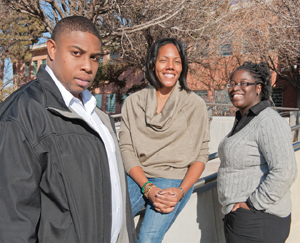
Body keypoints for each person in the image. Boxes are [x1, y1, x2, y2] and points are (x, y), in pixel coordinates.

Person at [0, 16, 136, 243]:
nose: (87, 66)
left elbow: (116, 195)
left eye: (95, 58)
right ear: (52, 49)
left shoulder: (100, 118)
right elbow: (13, 222)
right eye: (76, 53)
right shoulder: (20, 116)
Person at [119, 38, 210, 243]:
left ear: (182, 66)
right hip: (137, 175)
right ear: (153, 65)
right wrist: (147, 187)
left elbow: (201, 153)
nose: (170, 66)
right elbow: (126, 148)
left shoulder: (194, 104)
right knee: (108, 221)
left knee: (148, 239)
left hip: (172, 177)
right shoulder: (134, 102)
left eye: (177, 61)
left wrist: (180, 191)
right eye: (164, 60)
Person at [217, 62, 297, 243]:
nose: (235, 88)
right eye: (231, 83)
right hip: (244, 218)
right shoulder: (245, 119)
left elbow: (285, 171)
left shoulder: (268, 120)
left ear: (259, 87)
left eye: (243, 83)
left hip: (259, 219)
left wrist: (251, 205)